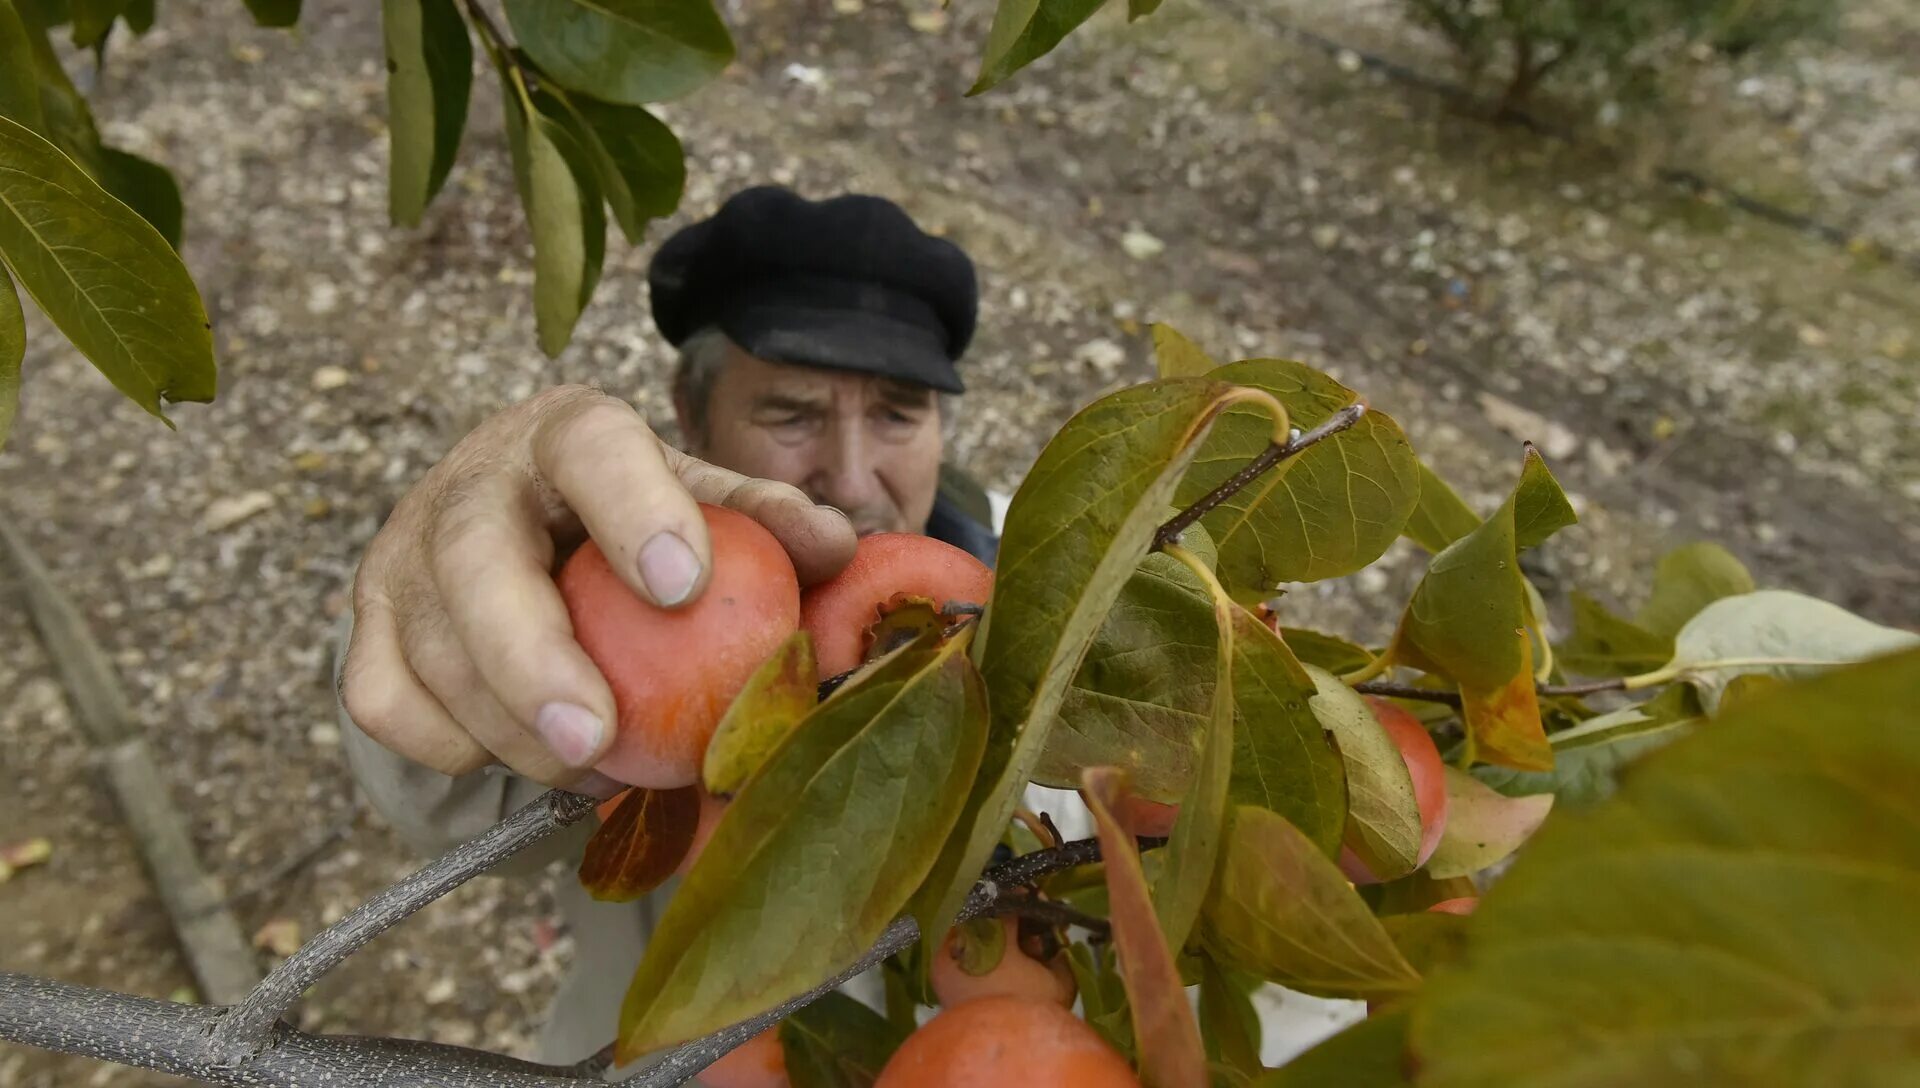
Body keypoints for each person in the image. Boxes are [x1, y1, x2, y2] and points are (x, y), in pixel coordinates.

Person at [332, 186, 1007, 1071]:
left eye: (897, 414)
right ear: (690, 416)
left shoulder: (1035, 585)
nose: (850, 475)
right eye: (792, 412)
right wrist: (444, 592)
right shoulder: (634, 603)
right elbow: (452, 784)